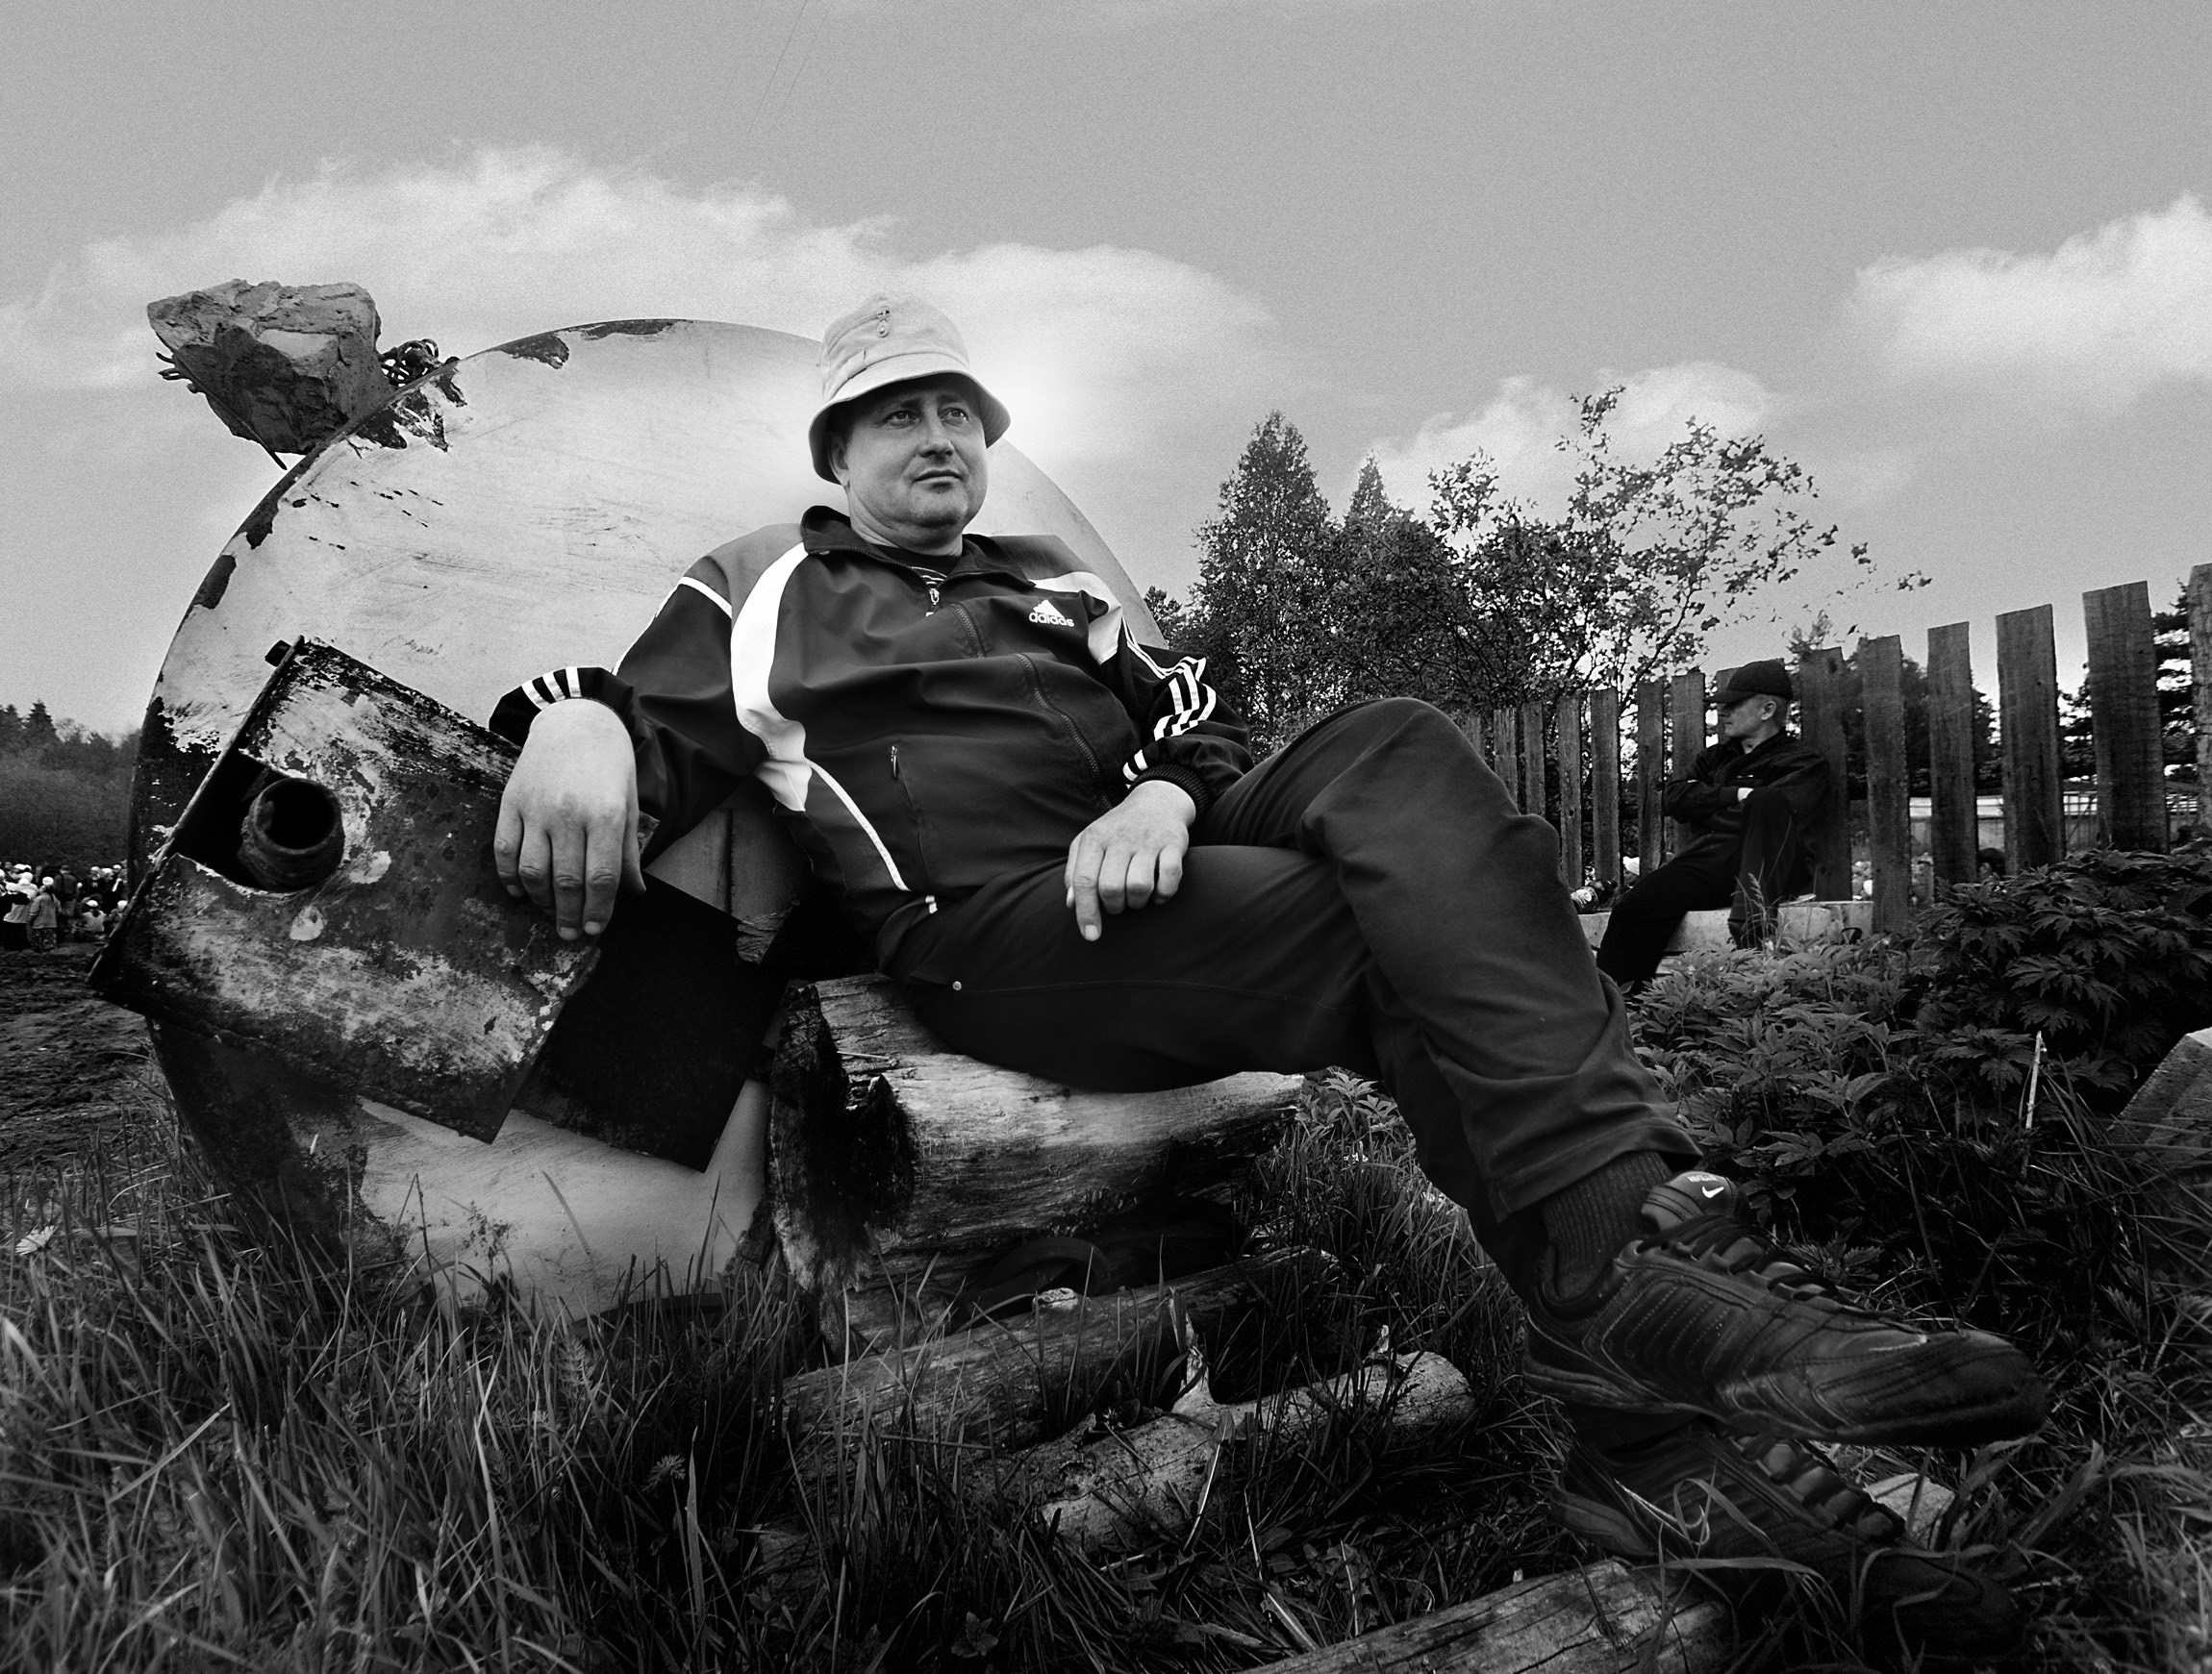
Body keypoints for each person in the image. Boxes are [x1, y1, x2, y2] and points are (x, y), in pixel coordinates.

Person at [490, 295, 2041, 1660]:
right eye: (902, 413)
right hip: (997, 927)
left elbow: (1199, 716)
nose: (942, 435)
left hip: (1161, 854)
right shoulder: (765, 584)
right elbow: (644, 716)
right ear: (839, 449)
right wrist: (573, 719)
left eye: (962, 410)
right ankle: (1628, 1320)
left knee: (1399, 745)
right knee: (1385, 942)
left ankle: (1631, 1355)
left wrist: (1164, 796)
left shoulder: (1051, 581)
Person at [1594, 662, 1829, 990]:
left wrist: (1711, 807)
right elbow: (1675, 798)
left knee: (1766, 803)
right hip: (1709, 861)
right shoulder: (1714, 758)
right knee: (1634, 907)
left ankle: (1751, 956)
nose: (1723, 711)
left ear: (1767, 710)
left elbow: (1779, 813)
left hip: (1768, 866)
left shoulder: (1803, 762)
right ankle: (1615, 1007)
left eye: (1734, 704)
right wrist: (1738, 795)